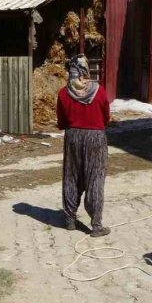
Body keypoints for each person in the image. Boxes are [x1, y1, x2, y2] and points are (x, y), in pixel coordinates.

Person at [56, 54, 111, 237]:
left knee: (71, 176)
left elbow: (61, 121)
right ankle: (96, 225)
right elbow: (105, 116)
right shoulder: (99, 91)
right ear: (86, 70)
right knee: (95, 177)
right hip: (96, 137)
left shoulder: (64, 93)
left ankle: (70, 219)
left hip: (73, 137)